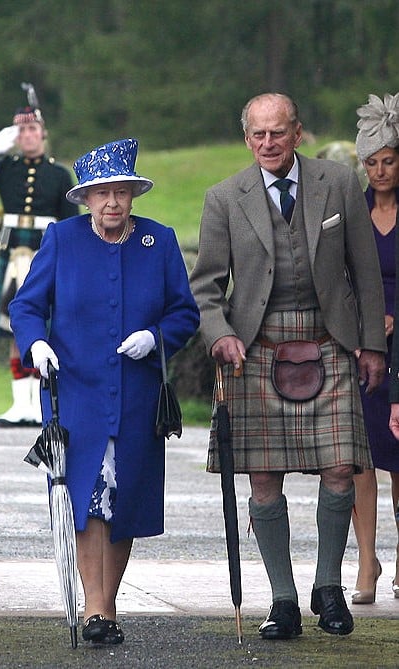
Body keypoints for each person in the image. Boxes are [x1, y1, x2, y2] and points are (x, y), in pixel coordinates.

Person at [190, 93, 386, 640]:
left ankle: (329, 588)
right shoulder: (225, 198)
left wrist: (373, 346)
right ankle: (282, 600)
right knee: (263, 476)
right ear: (246, 137)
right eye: (258, 135)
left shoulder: (339, 183)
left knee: (342, 467)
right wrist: (221, 335)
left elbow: (365, 273)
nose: (268, 144)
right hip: (255, 347)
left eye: (278, 133)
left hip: (330, 340)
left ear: (297, 133)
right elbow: (205, 287)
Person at [8, 138, 199, 644]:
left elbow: (185, 313)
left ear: (133, 195)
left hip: (136, 396)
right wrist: (37, 345)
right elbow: (26, 306)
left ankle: (104, 605)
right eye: (101, 194)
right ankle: (98, 610)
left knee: (124, 500)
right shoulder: (62, 239)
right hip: (77, 394)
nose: (112, 202)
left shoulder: (160, 241)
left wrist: (155, 338)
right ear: (86, 199)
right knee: (86, 497)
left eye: (121, 192)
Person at [0, 98, 79, 427]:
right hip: (12, 255)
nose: (27, 135)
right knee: (12, 329)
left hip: (45, 256)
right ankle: (20, 404)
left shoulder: (59, 175)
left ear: (43, 134)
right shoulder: (6, 168)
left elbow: (70, 224)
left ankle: (39, 404)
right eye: (21, 130)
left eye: (32, 129)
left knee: (44, 327)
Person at [351, 93, 399, 605]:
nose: (381, 170)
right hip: (364, 348)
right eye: (372, 162)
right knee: (360, 456)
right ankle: (366, 559)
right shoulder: (353, 211)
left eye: (388, 160)